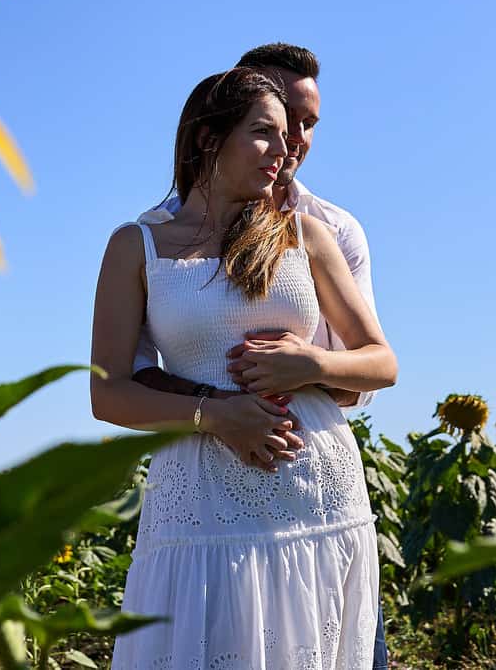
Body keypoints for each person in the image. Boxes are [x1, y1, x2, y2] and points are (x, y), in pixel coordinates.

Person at [91, 67, 397, 669]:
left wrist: (310, 363)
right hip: (201, 509)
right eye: (265, 133)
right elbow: (109, 394)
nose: (285, 152)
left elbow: (380, 363)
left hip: (317, 501)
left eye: (289, 136)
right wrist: (216, 416)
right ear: (208, 138)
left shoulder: (307, 235)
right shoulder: (137, 245)